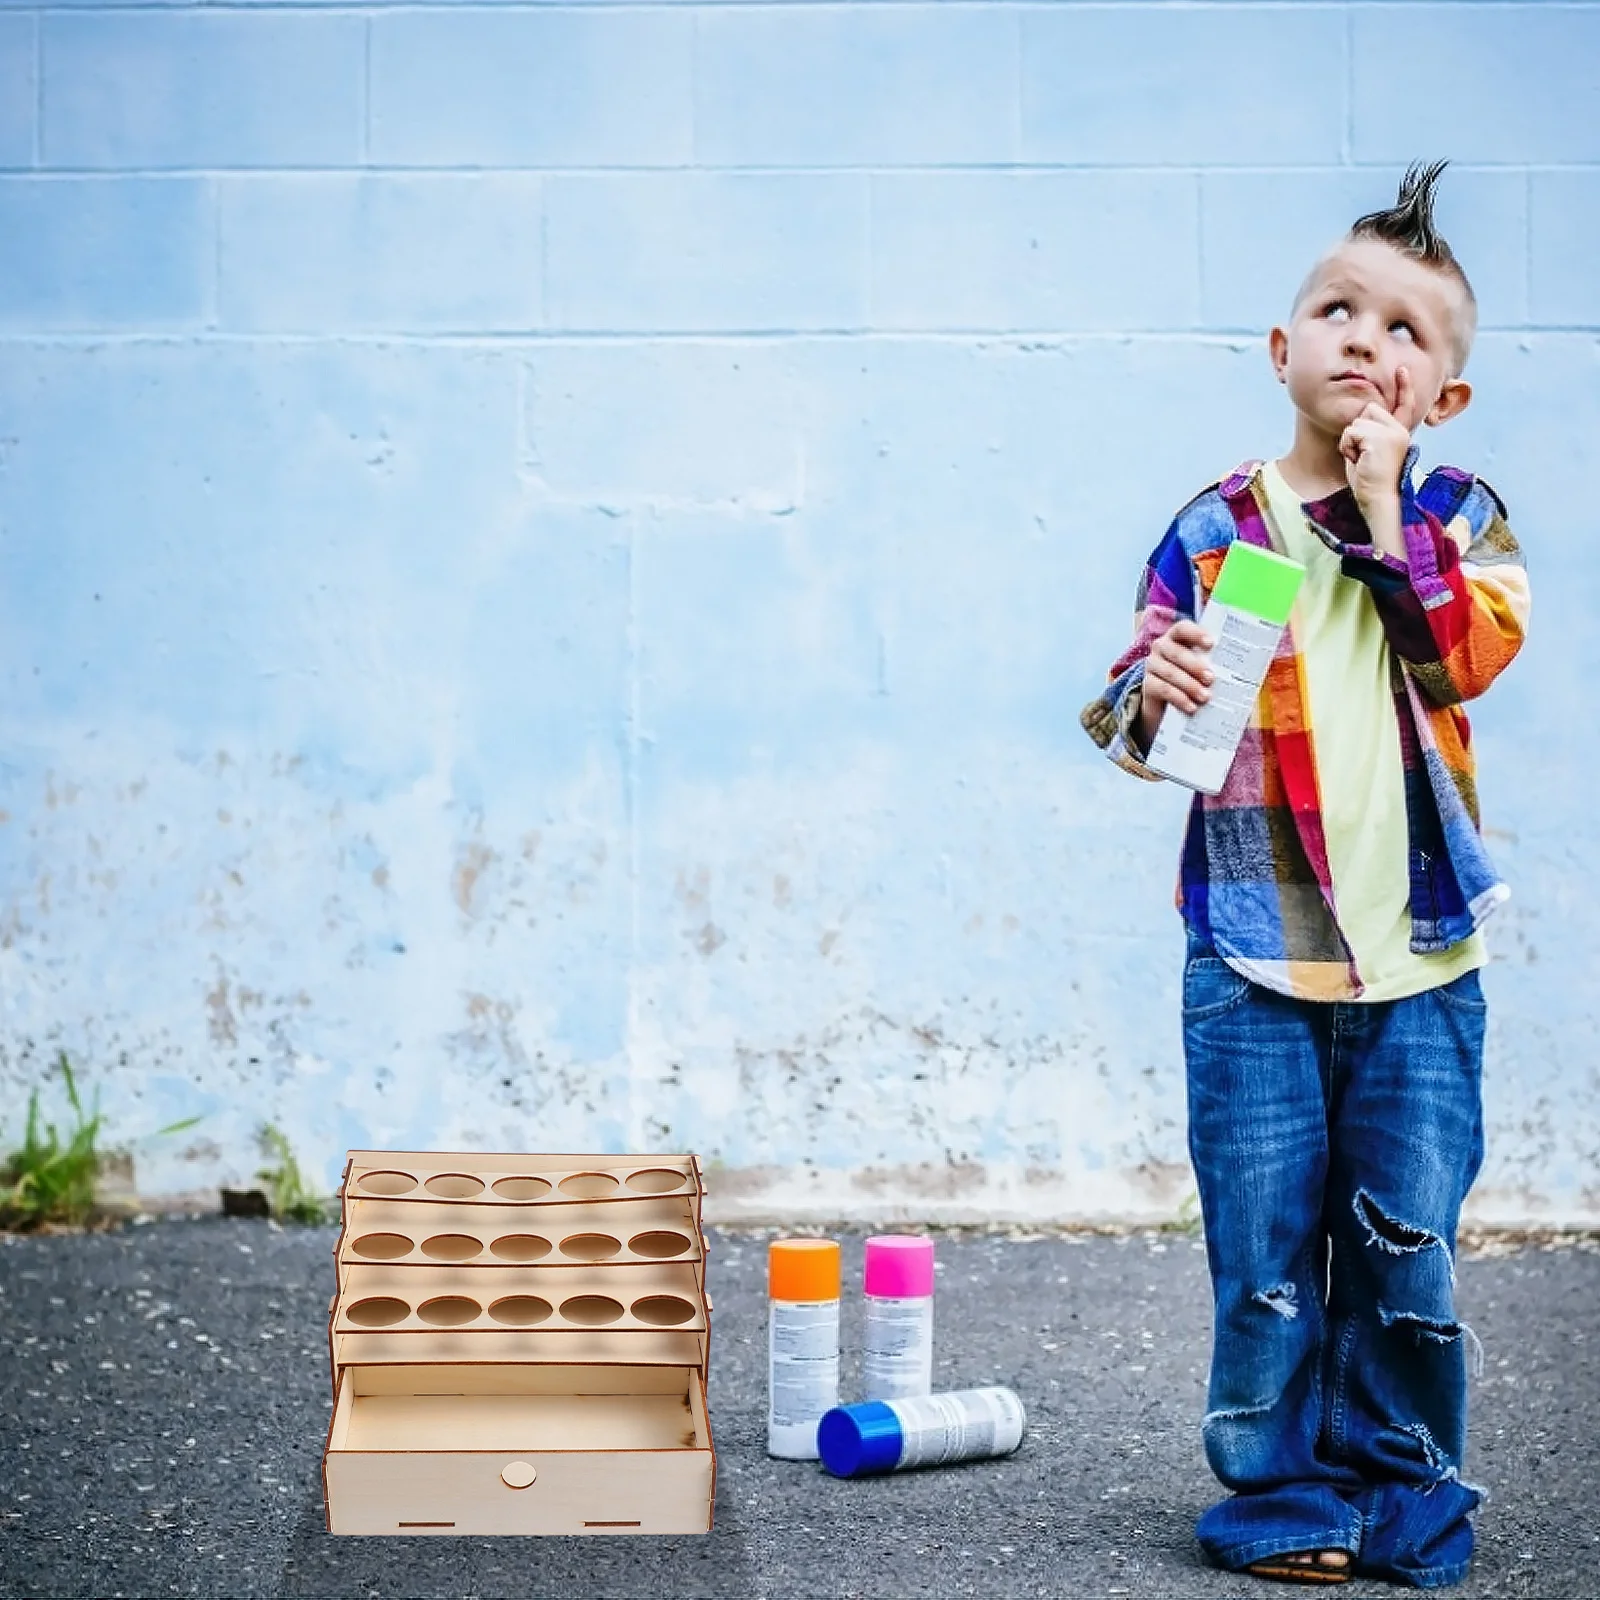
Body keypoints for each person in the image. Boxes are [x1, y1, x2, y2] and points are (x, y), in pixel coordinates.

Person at [1080, 162, 1530, 1588]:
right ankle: (1282, 1499)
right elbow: (1141, 735)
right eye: (1339, 311)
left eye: (1406, 332)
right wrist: (1153, 688)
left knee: (1406, 1250)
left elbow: (1460, 654)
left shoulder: (1459, 515)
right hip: (1253, 953)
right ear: (1284, 352)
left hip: (1420, 962)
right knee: (1266, 1248)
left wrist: (1390, 516)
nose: (1365, 342)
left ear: (1441, 398)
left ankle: (1407, 1493)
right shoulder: (1227, 532)